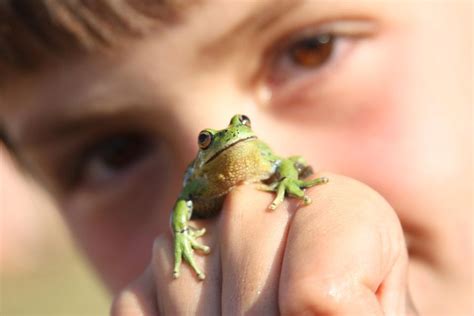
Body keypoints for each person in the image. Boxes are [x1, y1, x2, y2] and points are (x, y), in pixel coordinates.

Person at [0, 0, 471, 314]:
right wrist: (182, 239)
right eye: (116, 152)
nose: (241, 228)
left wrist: (291, 183)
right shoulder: (197, 182)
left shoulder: (265, 155)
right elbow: (184, 206)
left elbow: (286, 166)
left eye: (311, 50)